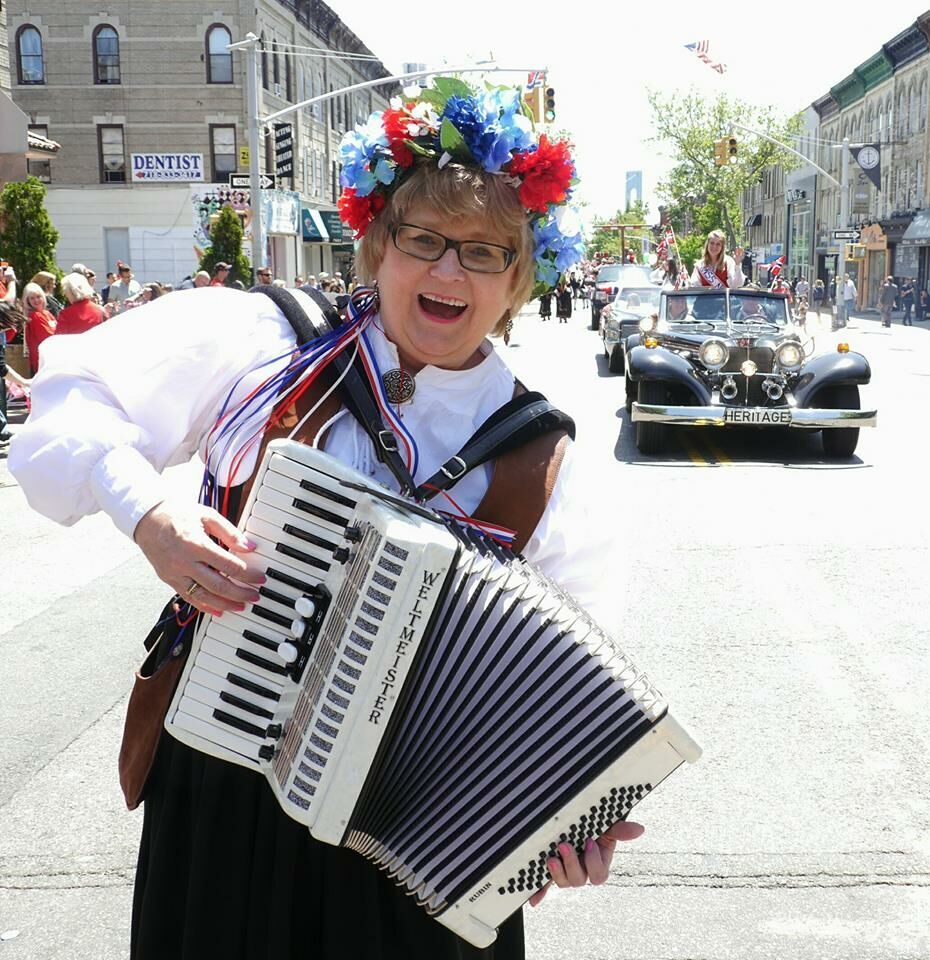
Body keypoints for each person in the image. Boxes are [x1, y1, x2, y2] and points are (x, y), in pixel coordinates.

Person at [10, 78, 639, 960]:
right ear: (378, 246)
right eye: (423, 240)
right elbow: (69, 399)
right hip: (227, 796)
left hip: (424, 839)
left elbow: (567, 700)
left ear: (519, 280)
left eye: (484, 252)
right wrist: (149, 516)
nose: (448, 270)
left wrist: (570, 821)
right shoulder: (265, 344)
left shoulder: (549, 463)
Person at [22, 281, 57, 376]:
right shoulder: (35, 316)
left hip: (50, 361)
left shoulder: (47, 313)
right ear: (27, 301)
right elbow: (50, 337)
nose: (36, 300)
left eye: (38, 296)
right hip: (42, 364)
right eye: (32, 298)